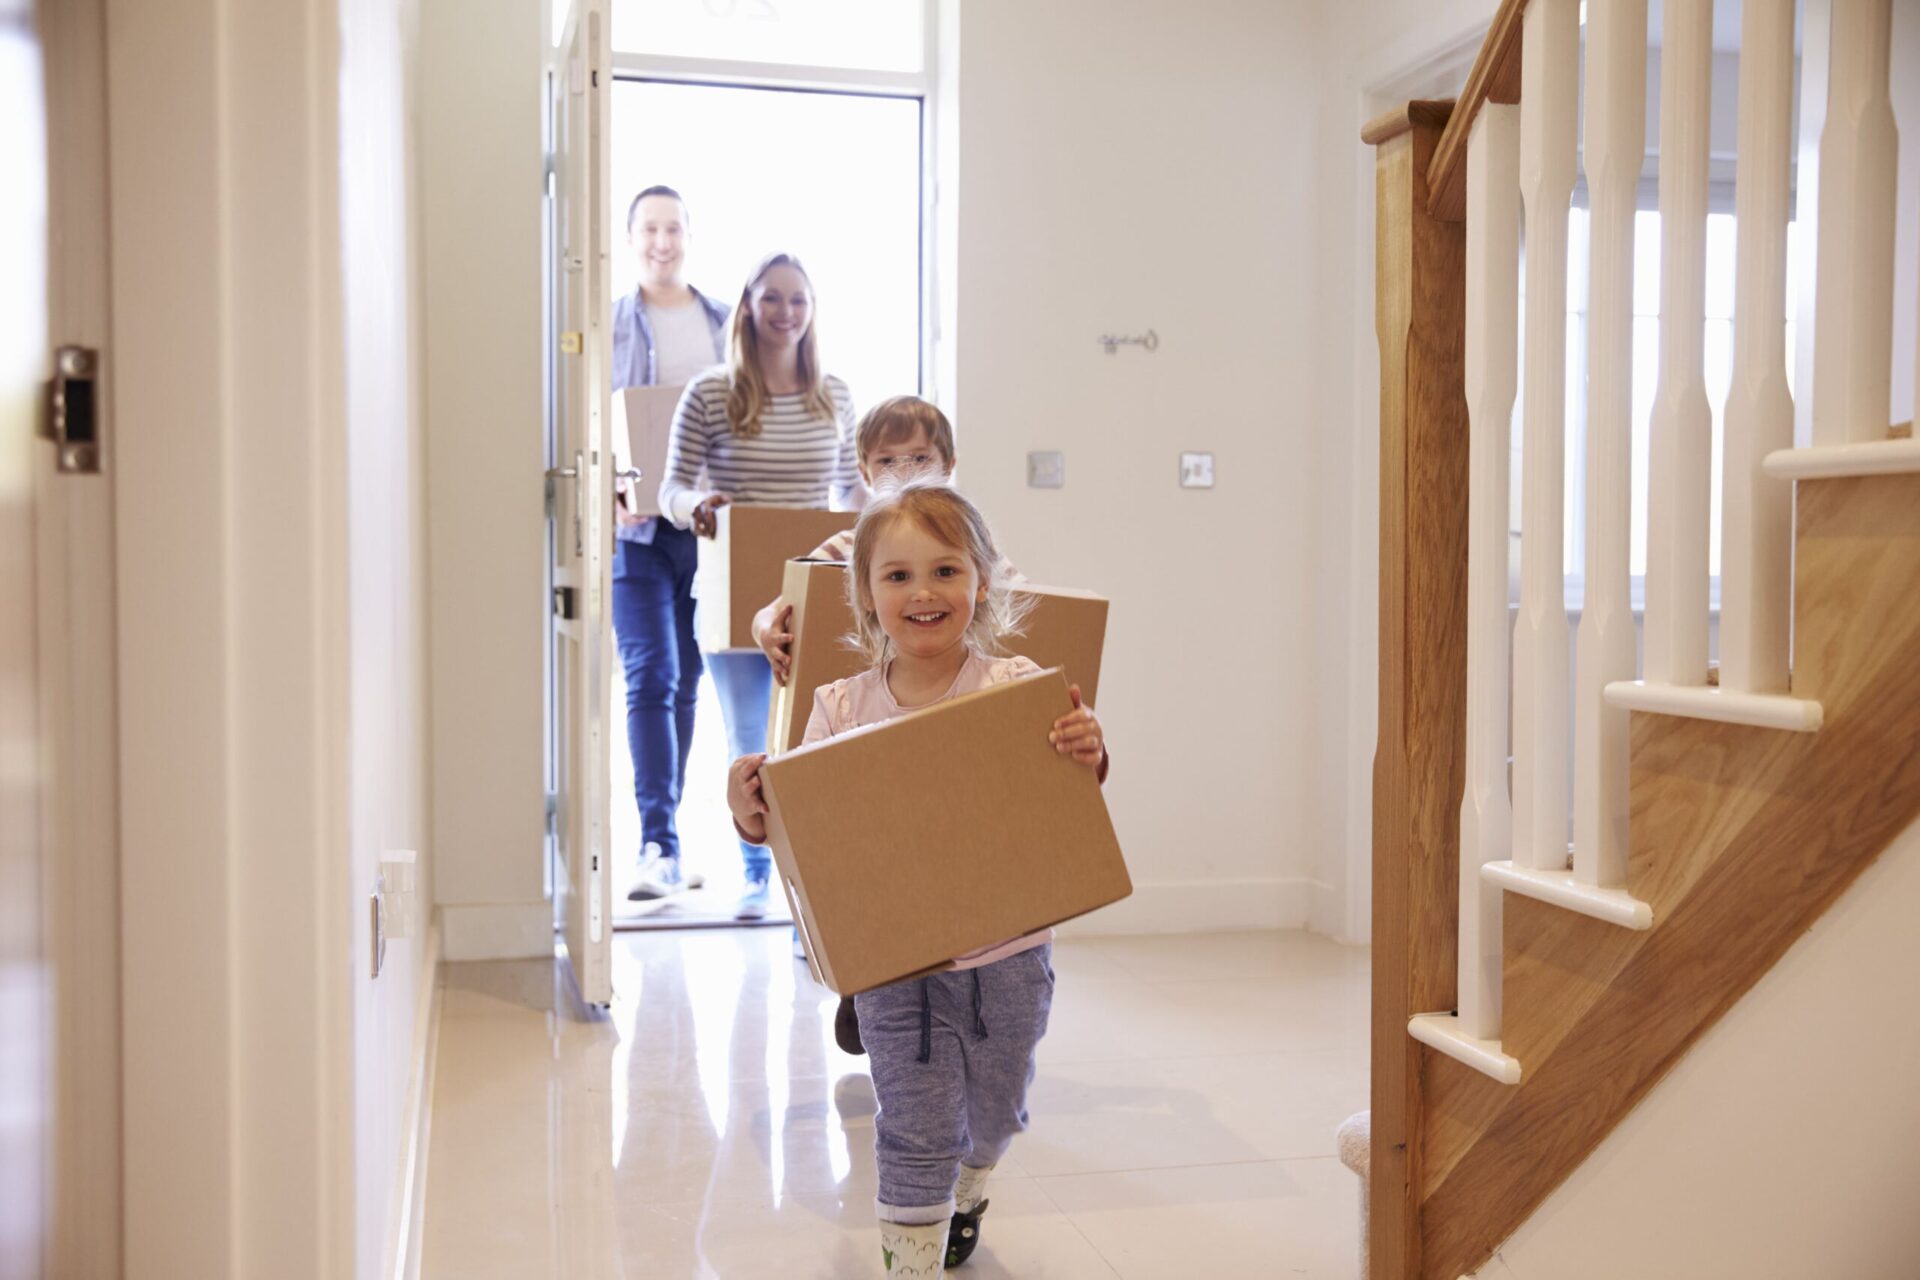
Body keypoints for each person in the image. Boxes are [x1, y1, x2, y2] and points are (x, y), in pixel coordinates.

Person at [725, 479, 1108, 1277]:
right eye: (896, 576)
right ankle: (913, 1257)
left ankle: (972, 1185)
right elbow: (803, 836)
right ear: (865, 597)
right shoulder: (839, 708)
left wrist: (1087, 750)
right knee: (913, 1124)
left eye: (945, 571)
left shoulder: (1016, 687)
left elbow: (1064, 800)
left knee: (994, 1114)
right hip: (895, 968)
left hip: (1009, 956)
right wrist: (750, 806)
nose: (922, 592)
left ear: (982, 581)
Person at [659, 252, 864, 920]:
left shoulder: (832, 393)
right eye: (772, 299)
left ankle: (812, 891)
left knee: (820, 742)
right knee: (753, 740)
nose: (785, 313)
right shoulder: (713, 393)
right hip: (734, 596)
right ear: (747, 306)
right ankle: (756, 873)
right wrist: (696, 506)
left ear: (812, 310)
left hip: (815, 597)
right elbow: (670, 487)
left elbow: (851, 491)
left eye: (798, 300)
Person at [611, 186, 732, 902]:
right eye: (650, 229)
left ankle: (672, 835)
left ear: (688, 235)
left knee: (688, 683)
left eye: (673, 228)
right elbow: (589, 409)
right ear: (633, 239)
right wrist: (605, 487)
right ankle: (656, 841)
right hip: (638, 532)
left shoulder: (721, 321)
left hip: (708, 528)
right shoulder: (615, 322)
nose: (662, 240)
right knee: (649, 674)